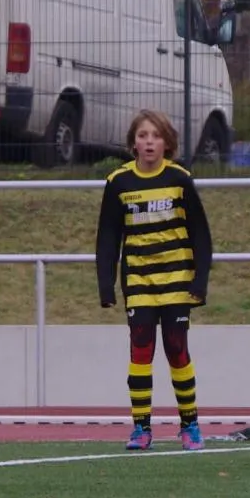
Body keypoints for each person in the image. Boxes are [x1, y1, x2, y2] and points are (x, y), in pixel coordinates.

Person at [95, 109, 214, 452]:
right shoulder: (118, 182)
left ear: (167, 143)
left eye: (156, 136)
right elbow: (108, 237)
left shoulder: (179, 179)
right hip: (139, 282)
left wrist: (200, 281)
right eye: (143, 136)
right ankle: (141, 428)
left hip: (176, 279)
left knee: (177, 350)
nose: (149, 142)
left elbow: (200, 234)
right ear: (133, 142)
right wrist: (106, 285)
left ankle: (189, 424)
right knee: (141, 350)